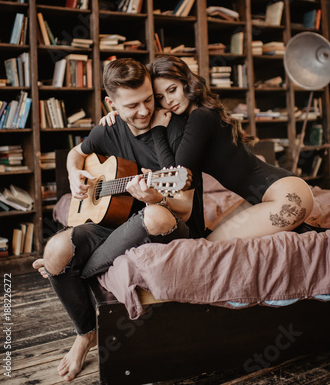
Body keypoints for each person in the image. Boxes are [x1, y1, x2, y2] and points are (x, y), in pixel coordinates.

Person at [33, 57, 204, 382]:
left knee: (153, 214)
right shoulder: (107, 128)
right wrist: (73, 175)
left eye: (147, 100)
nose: (143, 111)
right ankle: (85, 334)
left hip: (168, 221)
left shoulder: (176, 128)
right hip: (115, 222)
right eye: (131, 106)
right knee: (55, 249)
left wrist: (155, 196)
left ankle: (68, 273)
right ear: (110, 103)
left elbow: (183, 208)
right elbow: (76, 154)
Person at [102, 55, 314, 242]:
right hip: (259, 197)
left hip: (286, 193)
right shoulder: (188, 119)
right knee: (208, 236)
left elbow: (175, 174)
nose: (169, 101)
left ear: (186, 82)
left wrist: (158, 129)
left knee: (210, 247)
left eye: (172, 90)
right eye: (159, 98)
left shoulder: (201, 117)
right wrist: (119, 115)